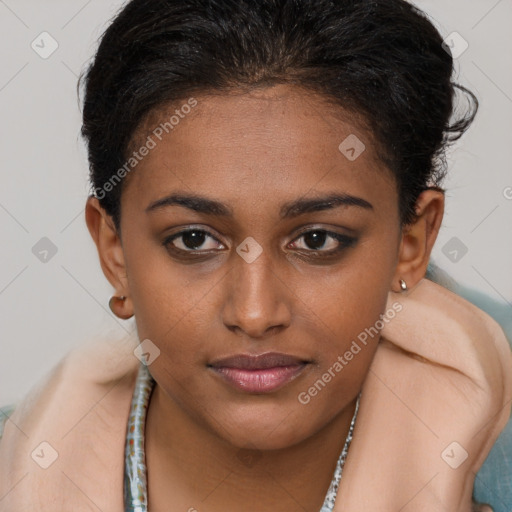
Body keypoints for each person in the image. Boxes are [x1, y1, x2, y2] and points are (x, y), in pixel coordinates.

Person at [0, 1, 510, 510]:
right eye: (194, 240)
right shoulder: (20, 464)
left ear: (410, 243)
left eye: (317, 240)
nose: (254, 313)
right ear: (114, 253)